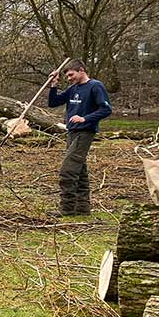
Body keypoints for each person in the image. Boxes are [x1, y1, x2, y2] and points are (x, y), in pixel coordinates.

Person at [47, 59, 112, 216]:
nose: (69, 78)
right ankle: (83, 208)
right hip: (72, 132)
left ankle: (67, 209)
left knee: (68, 170)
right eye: (67, 76)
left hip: (85, 132)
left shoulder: (95, 86)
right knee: (79, 170)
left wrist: (85, 118)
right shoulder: (73, 88)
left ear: (81, 70)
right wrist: (53, 85)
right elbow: (53, 102)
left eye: (71, 75)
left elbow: (106, 110)